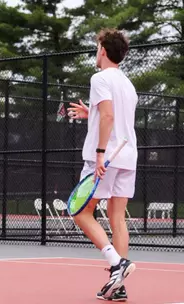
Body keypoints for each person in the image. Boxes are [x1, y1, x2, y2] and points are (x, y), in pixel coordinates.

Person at [67, 28, 137, 301]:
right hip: (128, 156)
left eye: (97, 48)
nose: (96, 53)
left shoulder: (99, 78)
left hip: (105, 157)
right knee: (117, 218)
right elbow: (110, 116)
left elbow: (108, 118)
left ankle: (116, 263)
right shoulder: (128, 85)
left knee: (80, 212)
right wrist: (91, 113)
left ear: (104, 51)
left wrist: (99, 153)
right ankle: (117, 286)